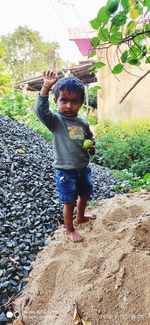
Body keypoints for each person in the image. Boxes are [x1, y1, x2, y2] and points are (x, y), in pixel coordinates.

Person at [35, 70, 96, 243]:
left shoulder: (83, 123)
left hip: (83, 168)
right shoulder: (55, 121)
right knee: (69, 202)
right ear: (56, 101)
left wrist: (91, 148)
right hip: (65, 171)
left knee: (84, 195)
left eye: (74, 101)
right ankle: (69, 230)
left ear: (81, 103)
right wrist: (46, 86)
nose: (69, 105)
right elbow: (40, 110)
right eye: (64, 100)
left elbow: (89, 141)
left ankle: (81, 217)